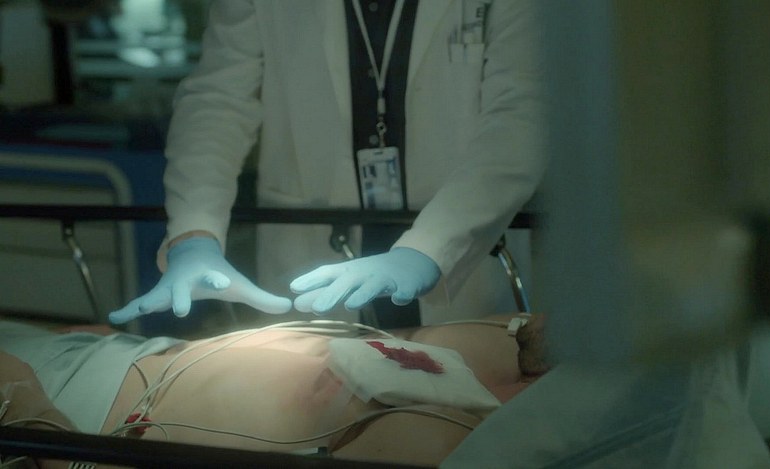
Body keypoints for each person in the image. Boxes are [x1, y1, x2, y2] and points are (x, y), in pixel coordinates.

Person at [108, 0, 549, 328]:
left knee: (462, 402)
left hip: (462, 259)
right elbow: (218, 100)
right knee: (313, 403)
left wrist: (431, 250)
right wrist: (195, 233)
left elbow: (521, 119)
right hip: (310, 256)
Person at [0, 312, 543, 468]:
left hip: (69, 421)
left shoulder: (437, 445)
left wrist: (30, 410)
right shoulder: (530, 351)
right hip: (126, 355)